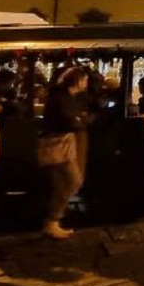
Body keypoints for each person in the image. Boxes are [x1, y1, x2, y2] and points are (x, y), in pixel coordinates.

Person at [39, 65, 90, 239]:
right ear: (77, 81)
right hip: (59, 145)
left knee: (63, 182)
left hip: (61, 145)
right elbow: (70, 120)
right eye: (84, 80)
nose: (86, 83)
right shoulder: (62, 98)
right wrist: (81, 119)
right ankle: (52, 220)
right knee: (72, 180)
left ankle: (52, 220)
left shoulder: (63, 96)